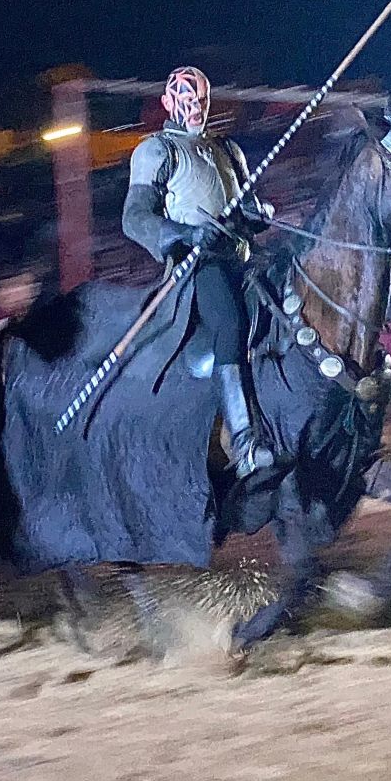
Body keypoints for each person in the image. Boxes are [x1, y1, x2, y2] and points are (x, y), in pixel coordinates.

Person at [121, 65, 277, 477]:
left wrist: (256, 214)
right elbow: (135, 218)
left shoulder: (228, 150)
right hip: (196, 266)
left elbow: (244, 207)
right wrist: (187, 234)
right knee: (230, 323)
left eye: (202, 100)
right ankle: (244, 443)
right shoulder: (157, 151)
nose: (197, 108)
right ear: (168, 102)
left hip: (241, 256)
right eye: (188, 100)